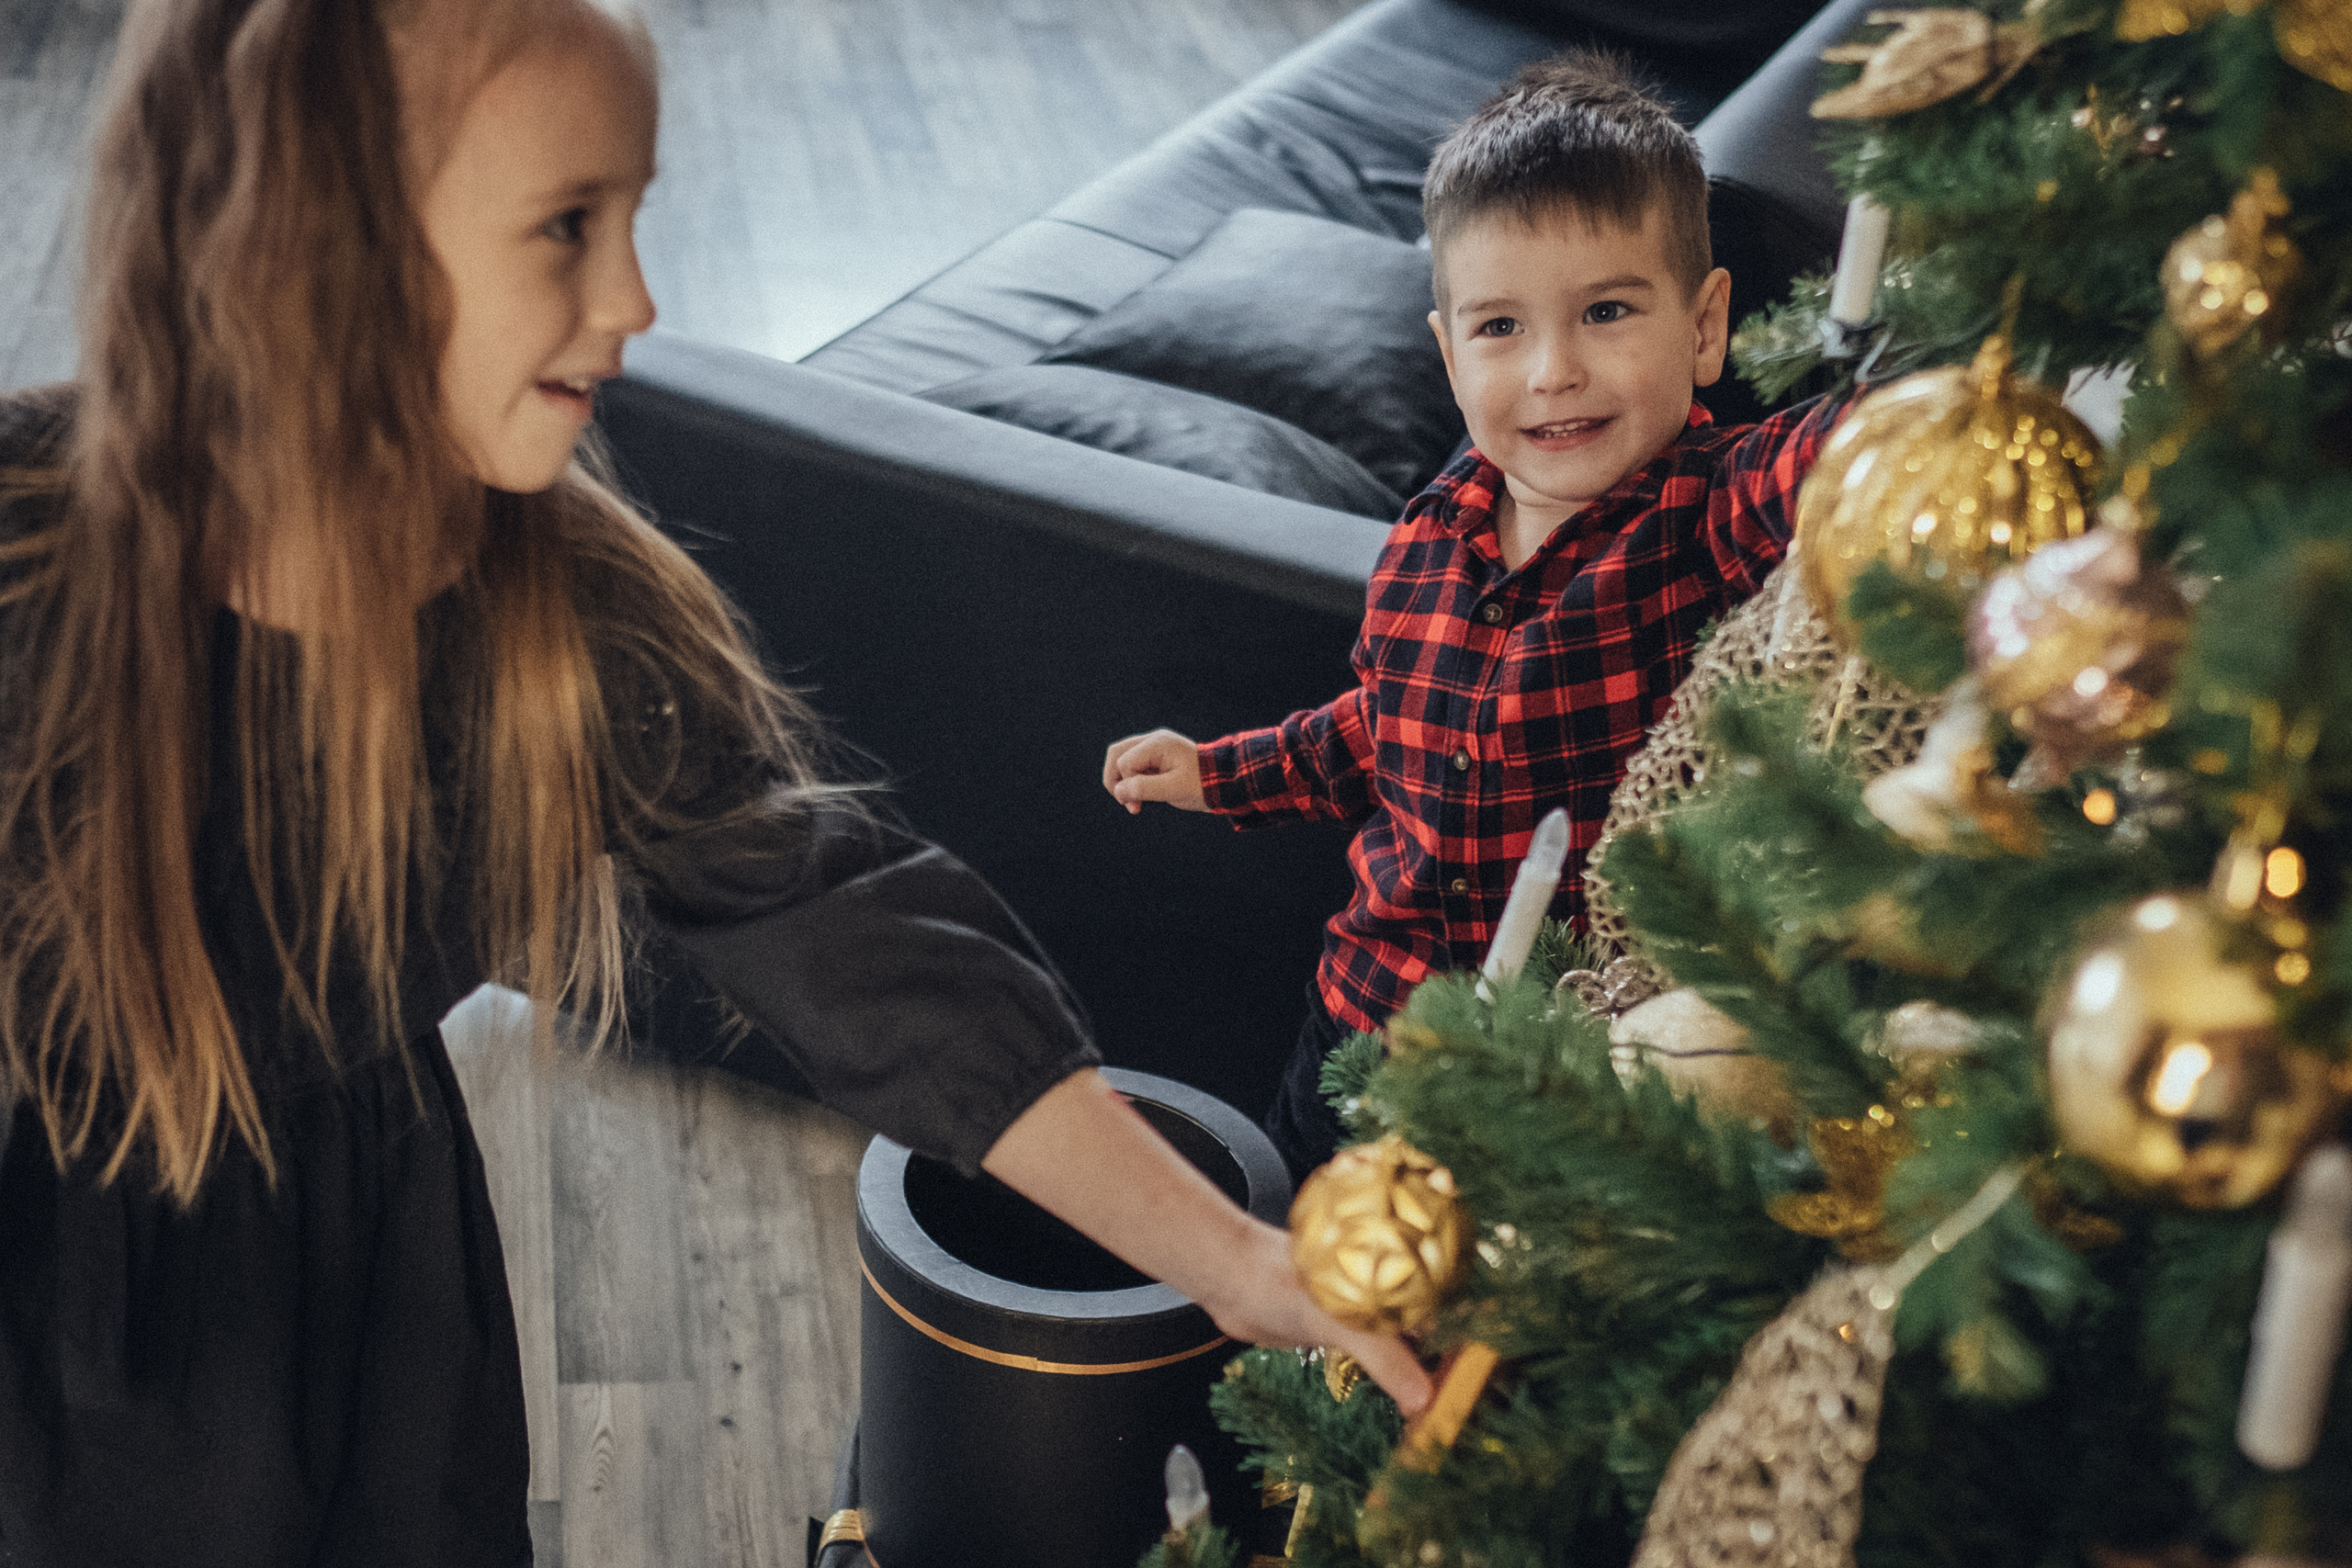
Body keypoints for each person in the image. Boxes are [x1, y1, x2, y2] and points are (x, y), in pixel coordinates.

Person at [0, 2, 1428, 1562]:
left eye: (631, 218)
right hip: (65, 1304)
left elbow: (884, 962)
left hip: (388, 1276)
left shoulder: (570, 626)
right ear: (318, 238)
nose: (633, 298)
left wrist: (1231, 1257)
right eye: (565, 228)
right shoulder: (25, 562)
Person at [1102, 51, 1850, 1179]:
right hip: (1362, 1023)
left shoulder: (1704, 506)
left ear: (1703, 330)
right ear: (1448, 355)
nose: (1554, 371)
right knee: (1307, 1262)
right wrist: (1219, 773)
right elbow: (1375, 730)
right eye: (1501, 328)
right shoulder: (1425, 536)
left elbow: (1835, 454)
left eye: (1606, 311)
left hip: (1561, 1060)